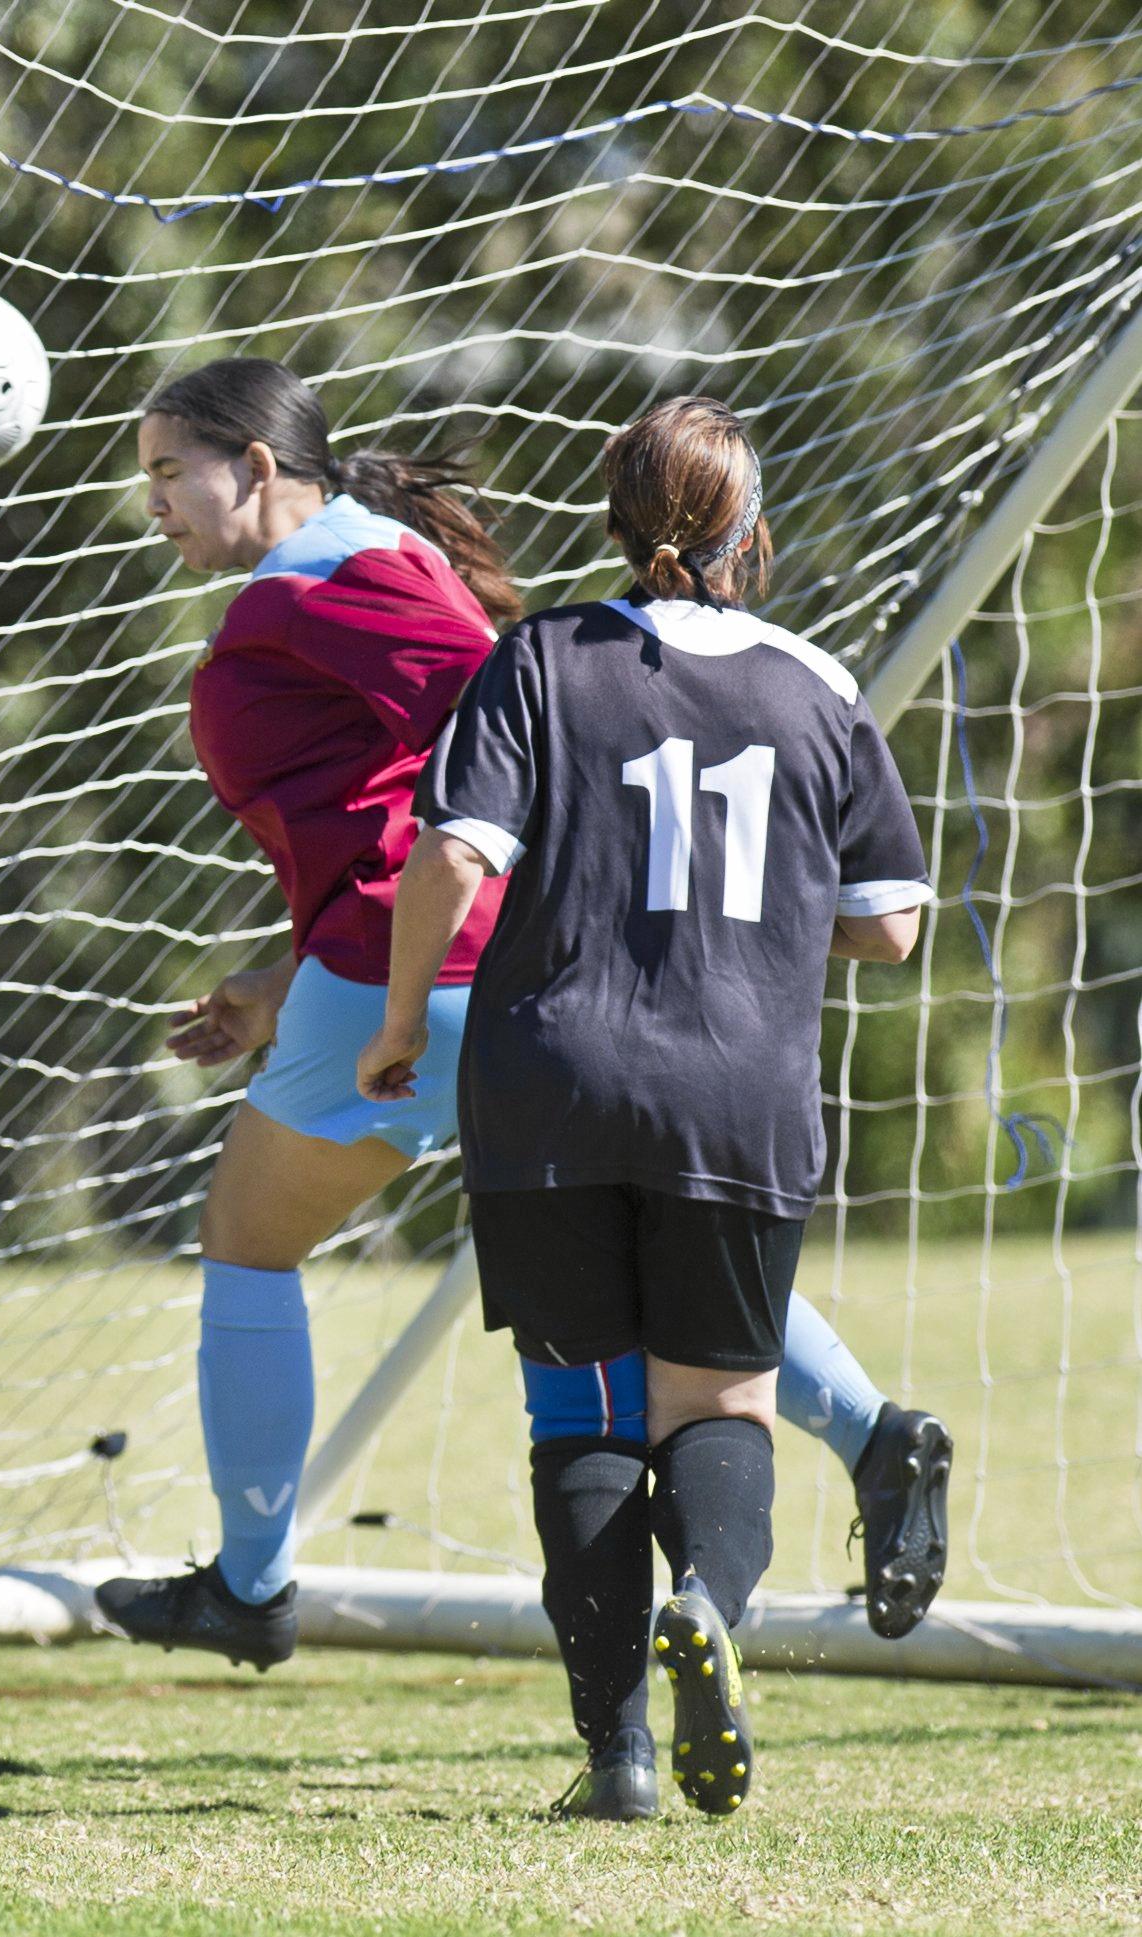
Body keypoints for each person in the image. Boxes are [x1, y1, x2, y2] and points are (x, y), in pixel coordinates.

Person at [94, 363, 949, 1681]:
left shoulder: (342, 571)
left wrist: (414, 959)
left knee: (245, 1246)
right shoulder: (331, 572)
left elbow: (510, 724)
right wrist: (280, 977)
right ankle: (874, 1434)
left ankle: (251, 1583)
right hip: (421, 967)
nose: (149, 499)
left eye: (166, 469)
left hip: (435, 975)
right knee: (663, 1248)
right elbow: (401, 791)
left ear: (256, 466)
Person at [358, 396, 933, 1820]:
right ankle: (713, 1604)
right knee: (720, 1400)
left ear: (615, 517)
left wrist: (393, 1016)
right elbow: (891, 924)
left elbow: (448, 853)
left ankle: (613, 1757)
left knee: (580, 1415)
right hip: (734, 1096)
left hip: (548, 1081)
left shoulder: (540, 659)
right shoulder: (816, 685)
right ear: (751, 528)